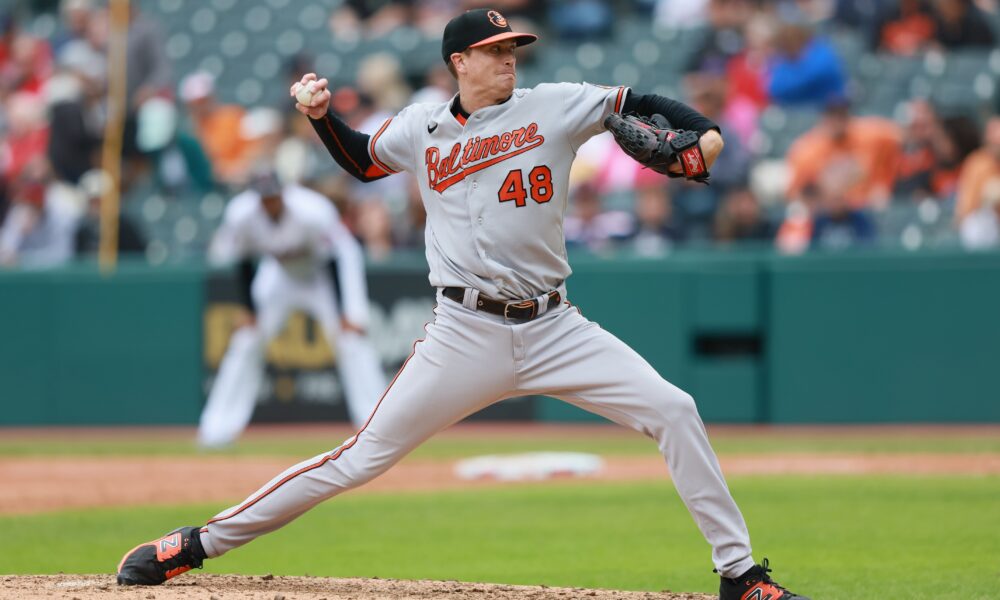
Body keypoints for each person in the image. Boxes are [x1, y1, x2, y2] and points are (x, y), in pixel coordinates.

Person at [116, 10, 808, 600]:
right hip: (465, 332)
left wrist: (703, 134)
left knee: (675, 410)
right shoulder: (420, 127)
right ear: (459, 61)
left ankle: (740, 575)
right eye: (495, 50)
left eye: (513, 49)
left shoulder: (555, 104)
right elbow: (362, 161)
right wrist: (324, 120)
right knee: (359, 458)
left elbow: (643, 101)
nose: (509, 59)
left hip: (556, 326)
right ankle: (195, 544)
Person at [195, 168, 387, 448]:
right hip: (281, 274)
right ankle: (216, 429)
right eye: (264, 198)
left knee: (351, 341)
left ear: (283, 192)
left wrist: (346, 313)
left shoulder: (312, 211)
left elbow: (335, 258)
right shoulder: (241, 214)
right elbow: (243, 261)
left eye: (273, 196)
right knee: (246, 341)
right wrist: (249, 310)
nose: (269, 203)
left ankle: (377, 427)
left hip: (324, 274)